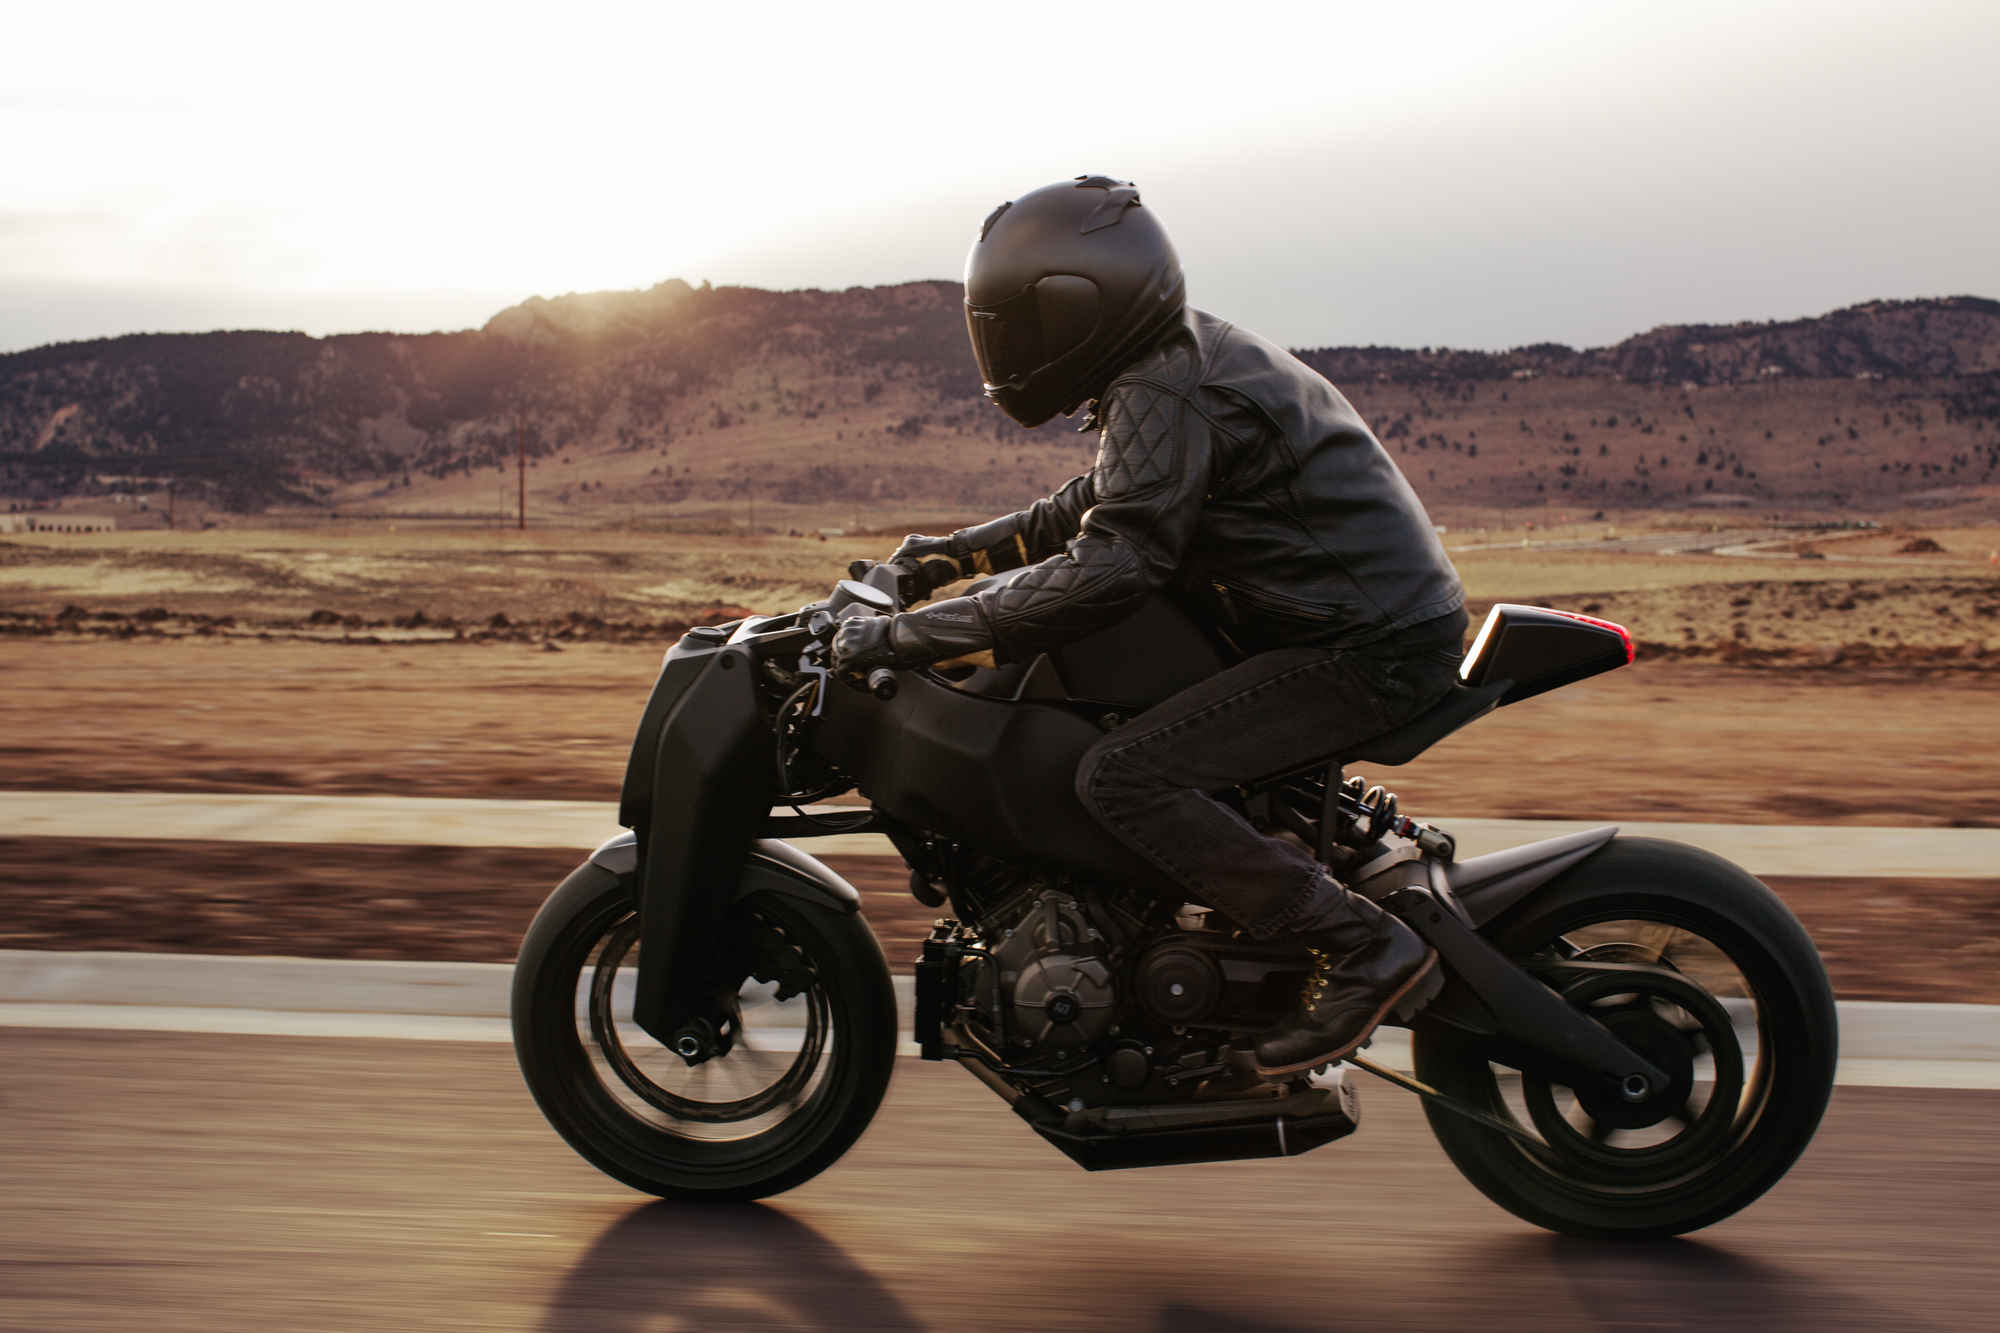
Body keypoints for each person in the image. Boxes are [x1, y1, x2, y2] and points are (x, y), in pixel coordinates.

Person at [832, 176, 1467, 1077]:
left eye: (1019, 322)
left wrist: (911, 636)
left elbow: (1112, 564)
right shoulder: (1169, 362)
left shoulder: (1168, 386)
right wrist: (948, 555)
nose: (1008, 344)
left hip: (1368, 649)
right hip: (1348, 624)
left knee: (1125, 777)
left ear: (1077, 307)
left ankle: (1360, 942)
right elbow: (1090, 505)